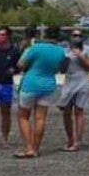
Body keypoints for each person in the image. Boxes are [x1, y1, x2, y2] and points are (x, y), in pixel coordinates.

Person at [14, 26, 65, 159]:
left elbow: (20, 64)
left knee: (23, 116)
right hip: (49, 84)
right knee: (40, 118)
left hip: (31, 83)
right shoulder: (61, 51)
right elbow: (60, 68)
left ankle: (29, 147)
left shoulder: (36, 48)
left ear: (45, 35)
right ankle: (36, 148)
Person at [57, 29, 89, 152]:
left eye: (79, 36)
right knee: (66, 112)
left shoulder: (87, 49)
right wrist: (66, 59)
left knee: (79, 111)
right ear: (70, 37)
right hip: (69, 83)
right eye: (74, 35)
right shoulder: (64, 51)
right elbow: (61, 70)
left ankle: (78, 141)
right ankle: (70, 139)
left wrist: (80, 55)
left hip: (82, 82)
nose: (77, 38)